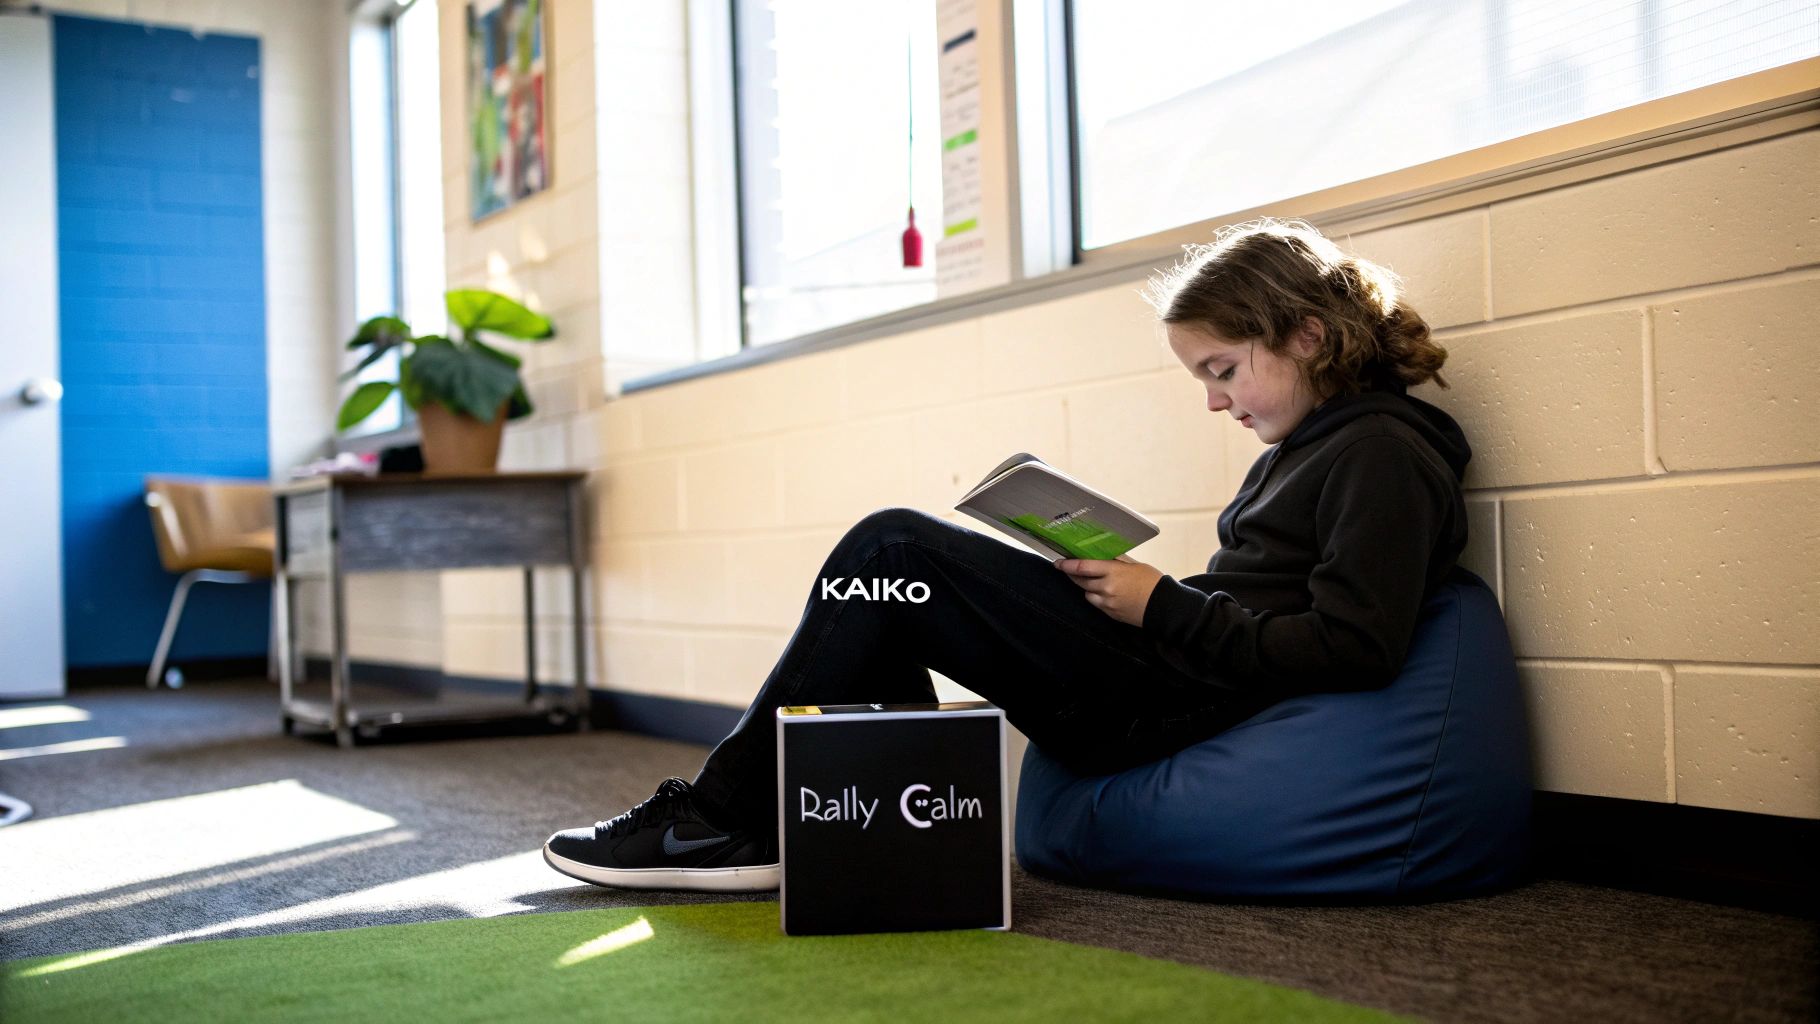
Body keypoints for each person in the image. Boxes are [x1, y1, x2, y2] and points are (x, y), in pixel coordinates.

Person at [542, 218, 1469, 892]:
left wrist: (1162, 606)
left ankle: (719, 822)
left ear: (1307, 335)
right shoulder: (1317, 446)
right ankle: (853, 837)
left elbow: (1357, 647)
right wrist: (1129, 588)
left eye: (1222, 371)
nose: (1217, 404)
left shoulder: (1380, 452)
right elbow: (1270, 597)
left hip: (1178, 696)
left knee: (893, 544)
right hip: (1166, 665)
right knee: (889, 585)